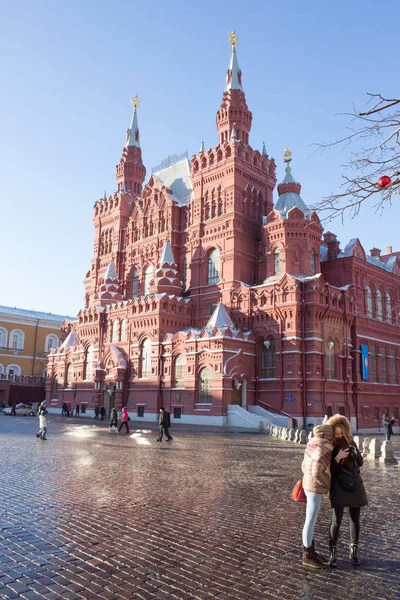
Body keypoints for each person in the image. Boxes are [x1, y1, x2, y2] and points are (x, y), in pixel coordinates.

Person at [326, 414, 368, 568]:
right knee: (336, 520)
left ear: (345, 431)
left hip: (354, 484)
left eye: (340, 433)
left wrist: (357, 456)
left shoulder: (351, 442)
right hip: (338, 484)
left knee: (355, 519)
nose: (338, 436)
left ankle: (354, 550)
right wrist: (337, 458)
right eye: (336, 434)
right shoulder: (330, 446)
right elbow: (330, 470)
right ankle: (333, 552)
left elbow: (360, 464)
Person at [301, 423, 334, 569]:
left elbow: (303, 465)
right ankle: (307, 554)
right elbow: (317, 472)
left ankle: (310, 550)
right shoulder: (325, 448)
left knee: (309, 520)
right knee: (310, 521)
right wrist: (327, 485)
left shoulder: (312, 443)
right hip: (314, 488)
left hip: (307, 485)